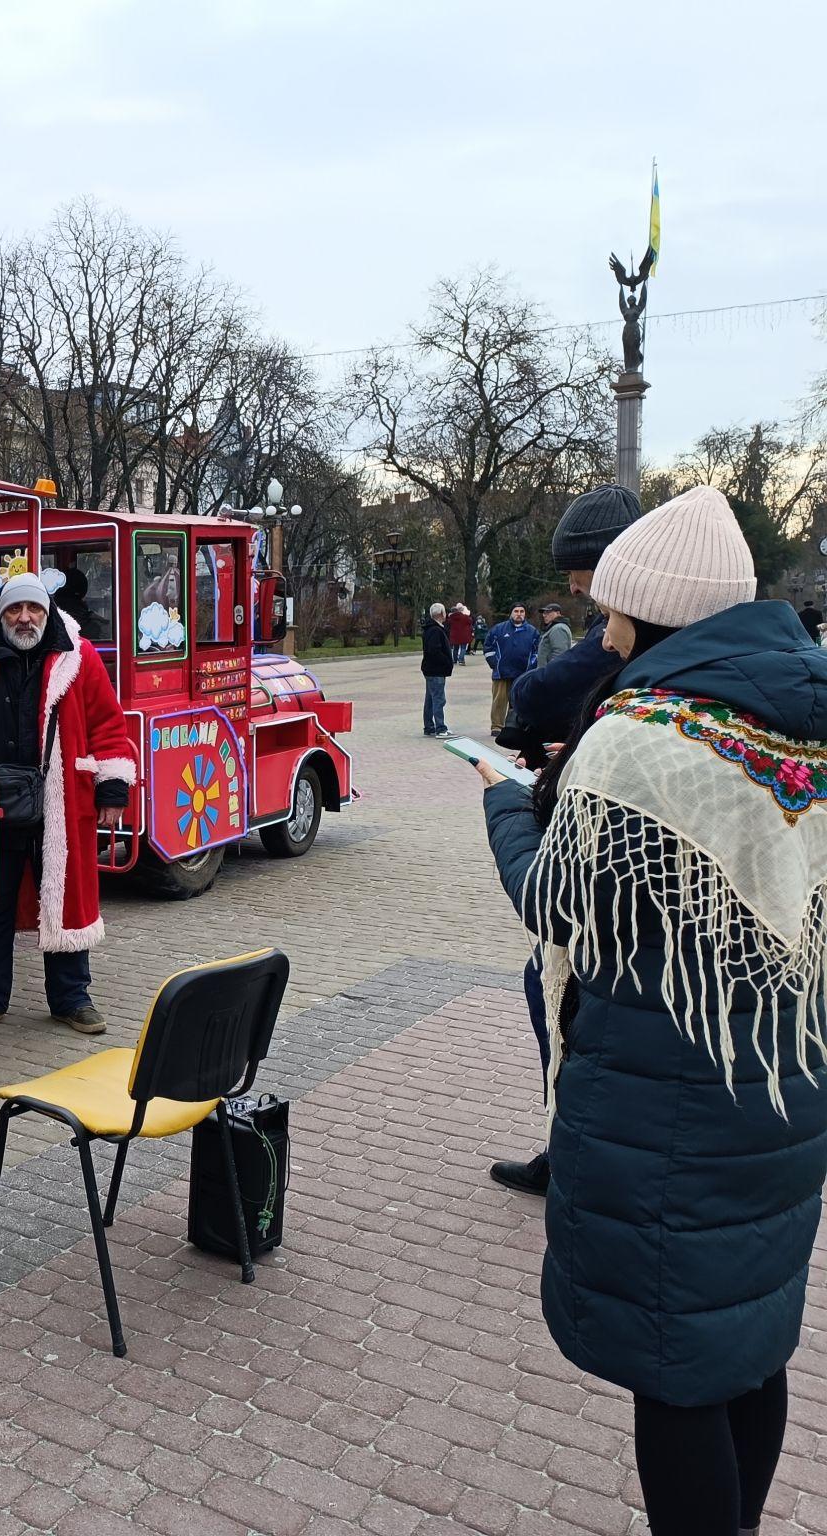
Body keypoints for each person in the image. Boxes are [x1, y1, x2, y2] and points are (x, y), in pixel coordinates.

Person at [480, 484, 827, 1536]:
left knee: (673, 1378)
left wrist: (503, 802)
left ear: (639, 611)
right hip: (783, 1084)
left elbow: (554, 901)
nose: (599, 626)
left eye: (607, 610)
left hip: (662, 1109)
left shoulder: (637, 739)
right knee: (746, 1348)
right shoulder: (804, 720)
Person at [489, 483, 640, 1196]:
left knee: (571, 996)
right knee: (547, 985)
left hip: (609, 901)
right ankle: (567, 1140)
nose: (590, 610)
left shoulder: (644, 656)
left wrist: (509, 805)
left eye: (596, 594)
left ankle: (578, 1156)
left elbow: (546, 898)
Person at [0, 563, 136, 1036]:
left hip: (60, 805)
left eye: (33, 607)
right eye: (14, 607)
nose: (24, 617)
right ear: (0, 613)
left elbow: (108, 725)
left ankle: (71, 999)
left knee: (63, 901)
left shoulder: (80, 657)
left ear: (47, 611)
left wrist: (113, 784)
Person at [509, 485, 643, 751]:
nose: (572, 586)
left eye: (573, 571)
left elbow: (537, 692)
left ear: (604, 565)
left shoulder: (632, 628)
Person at [483, 602, 539, 731]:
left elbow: (537, 651)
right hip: (501, 673)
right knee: (499, 701)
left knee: (517, 702)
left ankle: (512, 727)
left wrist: (531, 667)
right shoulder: (498, 629)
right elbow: (488, 647)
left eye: (521, 611)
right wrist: (495, 663)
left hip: (522, 674)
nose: (519, 614)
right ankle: (497, 726)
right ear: (511, 613)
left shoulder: (532, 632)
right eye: (516, 611)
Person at [420, 603, 453, 737]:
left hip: (431, 669)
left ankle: (429, 726)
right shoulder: (435, 630)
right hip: (436, 670)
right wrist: (446, 661)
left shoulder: (432, 628)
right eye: (445, 612)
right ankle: (440, 728)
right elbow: (434, 651)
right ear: (441, 614)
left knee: (430, 698)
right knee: (438, 699)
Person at [534, 601, 574, 670]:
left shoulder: (558, 628)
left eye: (548, 612)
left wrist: (549, 674)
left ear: (558, 613)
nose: (544, 615)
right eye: (544, 613)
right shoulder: (553, 627)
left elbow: (559, 655)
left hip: (551, 674)